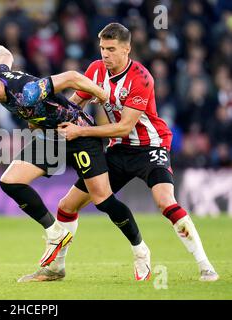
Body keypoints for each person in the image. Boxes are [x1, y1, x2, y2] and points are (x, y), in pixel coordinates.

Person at [0, 43, 152, 282]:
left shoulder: (29, 92)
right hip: (51, 137)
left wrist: (103, 96)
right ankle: (55, 236)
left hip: (79, 134)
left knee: (103, 199)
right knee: (10, 181)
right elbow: (5, 55)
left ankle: (140, 251)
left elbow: (71, 77)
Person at [55, 22, 218, 282]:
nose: (104, 54)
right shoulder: (95, 70)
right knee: (67, 205)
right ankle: (56, 268)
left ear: (126, 49)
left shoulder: (141, 78)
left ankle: (205, 265)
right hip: (118, 150)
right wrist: (47, 115)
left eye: (111, 49)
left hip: (150, 146)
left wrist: (80, 132)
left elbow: (124, 127)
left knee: (165, 201)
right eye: (101, 48)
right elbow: (73, 105)